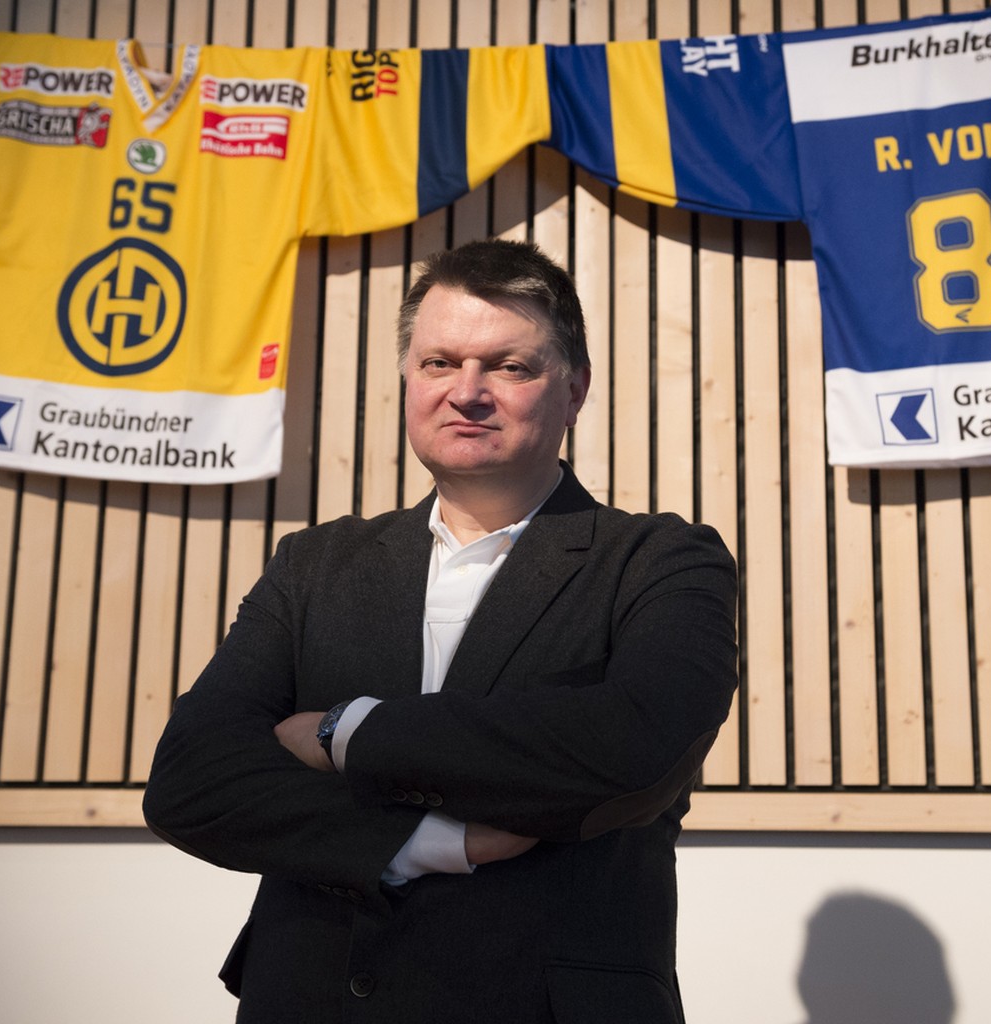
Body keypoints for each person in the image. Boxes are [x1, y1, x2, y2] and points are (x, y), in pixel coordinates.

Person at [143, 238, 739, 1023]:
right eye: (439, 363)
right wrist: (428, 841)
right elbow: (191, 781)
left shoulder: (661, 561)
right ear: (409, 380)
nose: (467, 392)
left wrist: (344, 732)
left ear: (575, 389)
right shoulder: (314, 565)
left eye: (509, 366)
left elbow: (634, 747)